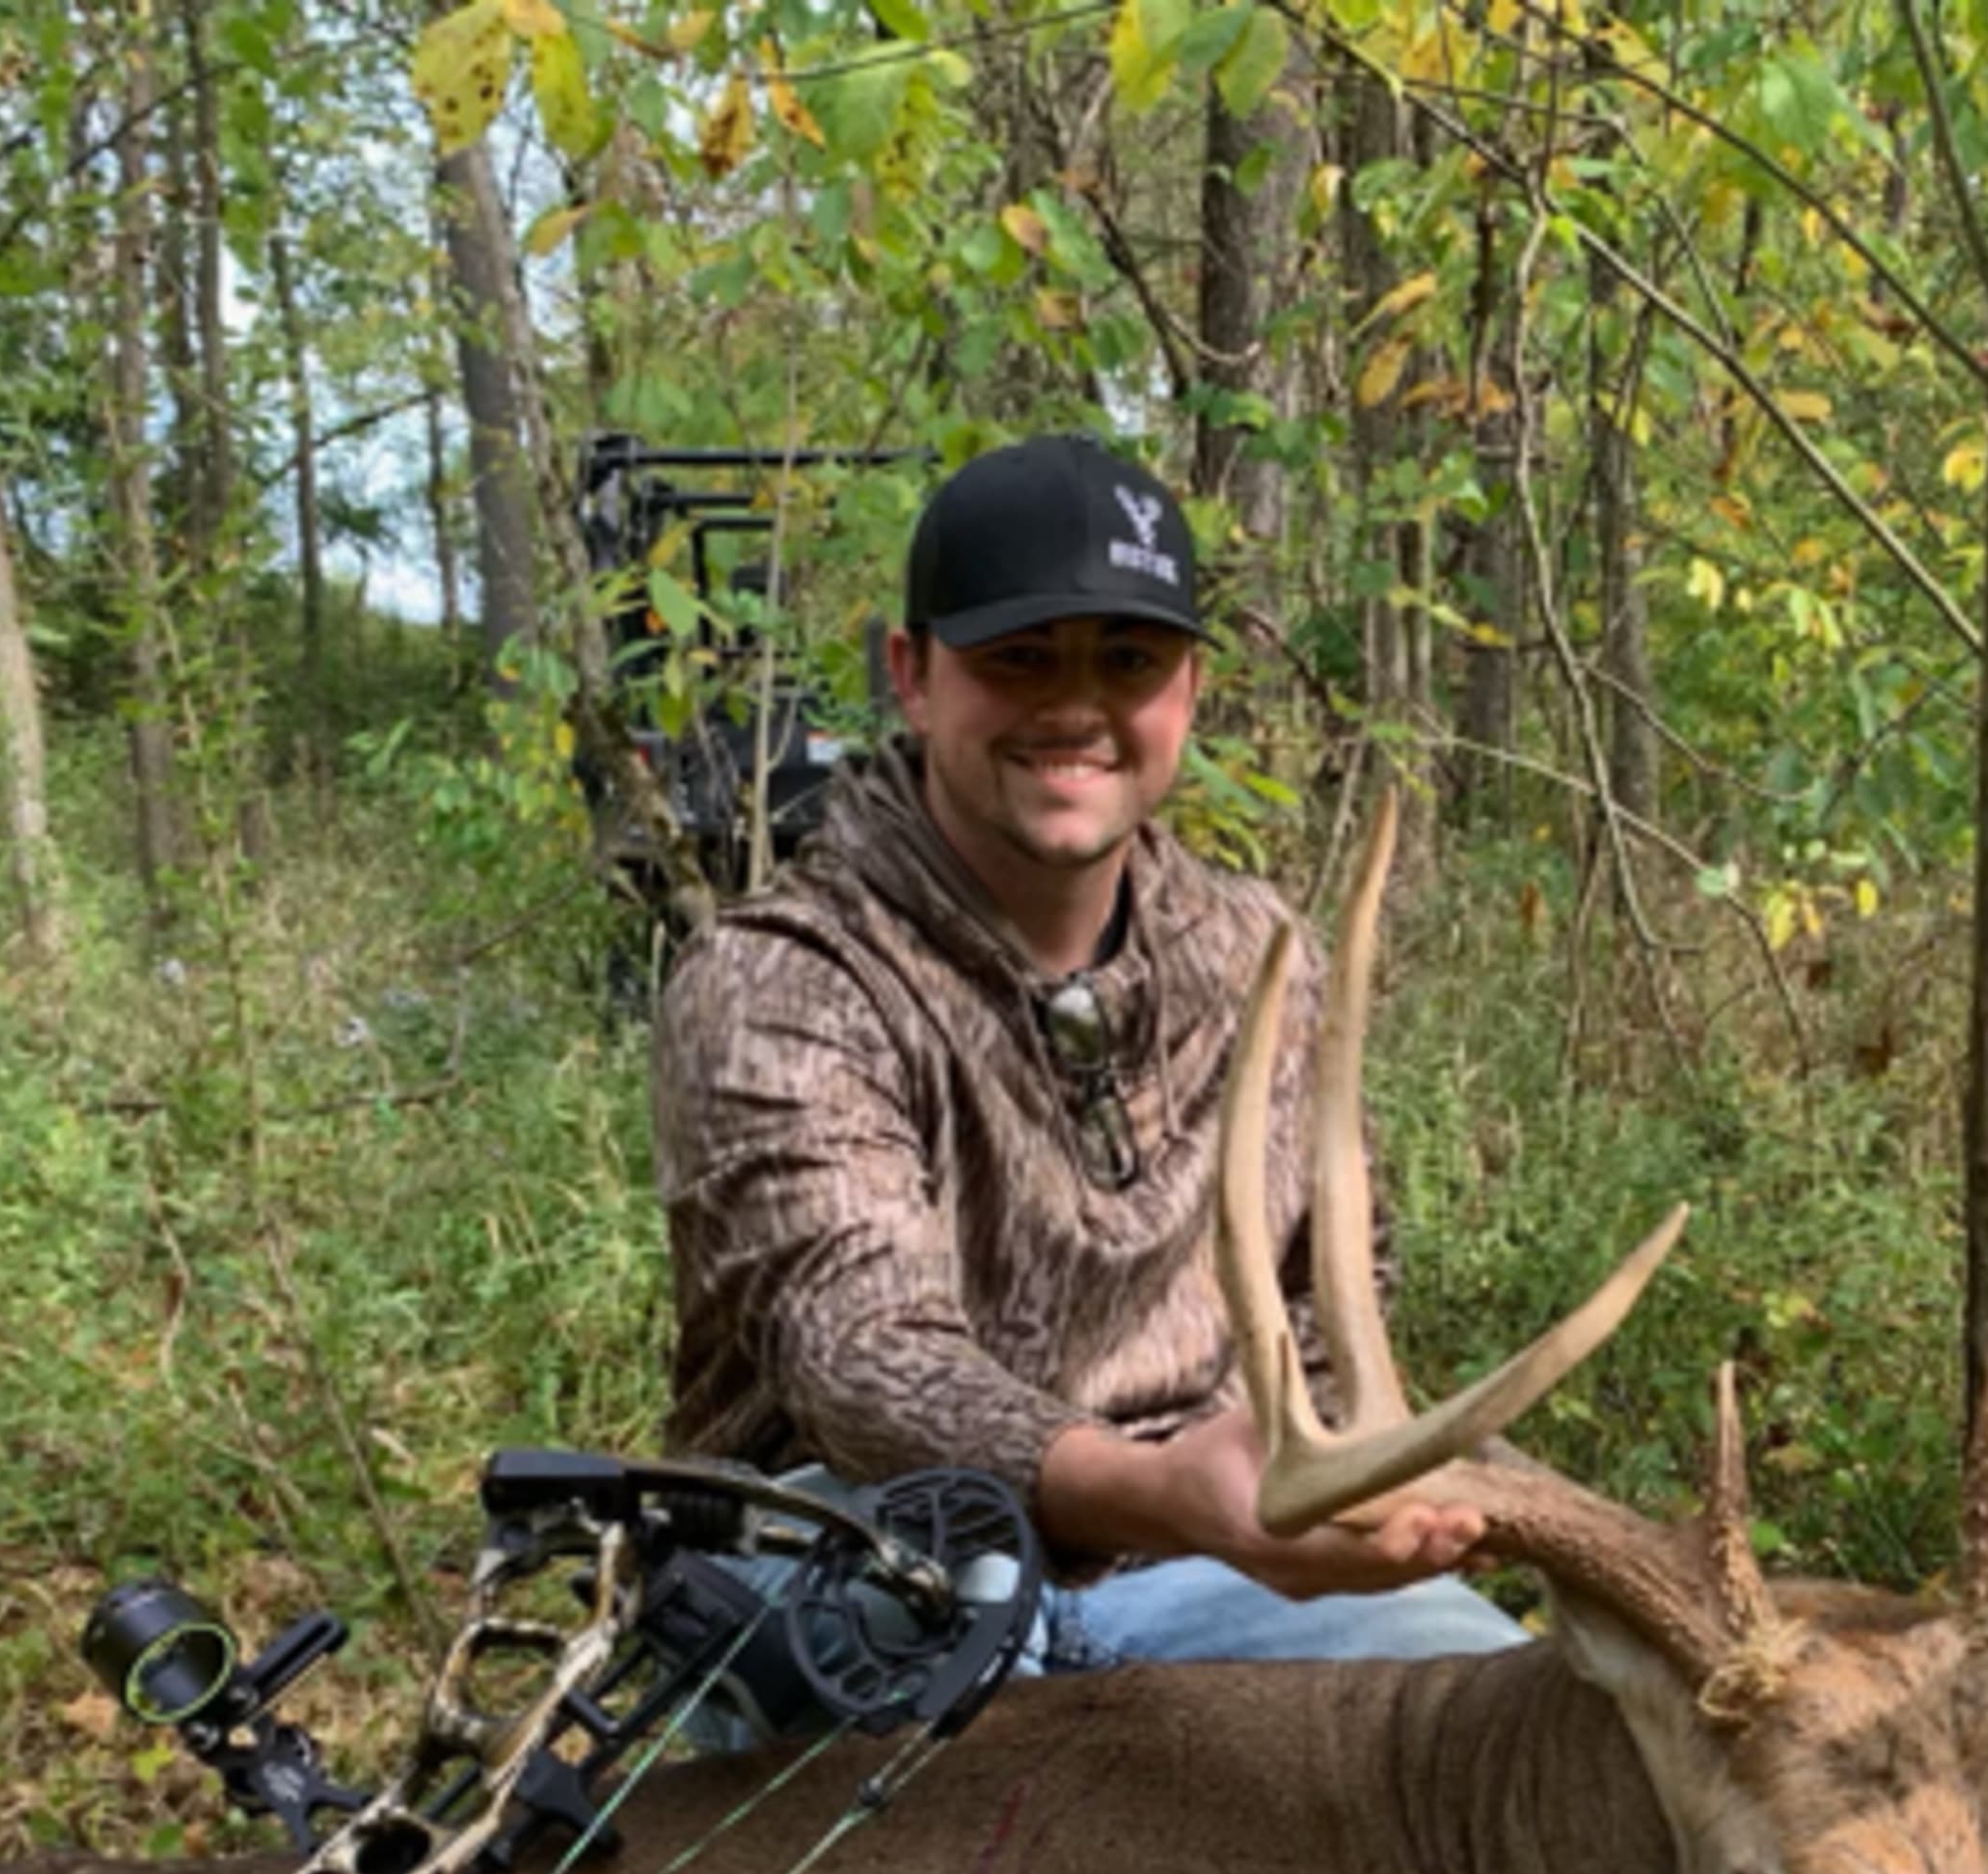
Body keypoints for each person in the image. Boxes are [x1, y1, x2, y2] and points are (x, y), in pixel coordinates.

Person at [651, 432, 1525, 1680]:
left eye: (1127, 660)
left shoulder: (1257, 958)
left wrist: (1352, 1482)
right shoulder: (785, 976)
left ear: (1189, 690)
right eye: (1018, 660)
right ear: (913, 675)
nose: (1075, 707)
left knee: (1509, 1718)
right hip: (870, 1562)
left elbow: (1324, 1308)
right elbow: (865, 1364)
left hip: (1215, 1560)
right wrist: (1156, 1489)